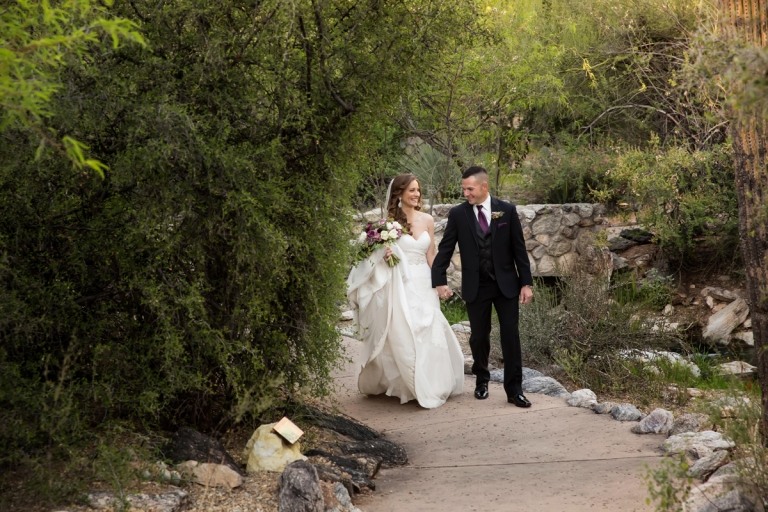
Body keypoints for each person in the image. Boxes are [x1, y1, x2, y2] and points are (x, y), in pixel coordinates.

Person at [347, 174, 464, 408]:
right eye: (411, 190)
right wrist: (384, 255)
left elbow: (431, 255)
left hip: (424, 282)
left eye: (418, 190)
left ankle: (432, 383)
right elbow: (374, 256)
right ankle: (407, 385)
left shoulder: (428, 220)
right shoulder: (387, 223)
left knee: (430, 329)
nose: (416, 194)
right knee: (405, 330)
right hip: (401, 282)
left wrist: (440, 283)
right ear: (399, 193)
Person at [431, 166, 534, 407]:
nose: (466, 193)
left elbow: (519, 249)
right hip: (476, 286)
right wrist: (438, 279)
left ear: (484, 187)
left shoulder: (506, 211)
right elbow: (446, 248)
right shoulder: (458, 214)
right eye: (464, 189)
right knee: (478, 337)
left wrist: (525, 283)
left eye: (470, 188)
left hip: (506, 285)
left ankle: (514, 390)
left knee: (510, 335)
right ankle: (481, 379)